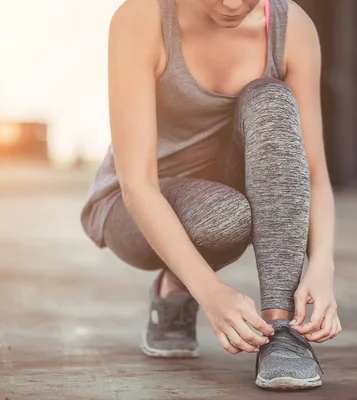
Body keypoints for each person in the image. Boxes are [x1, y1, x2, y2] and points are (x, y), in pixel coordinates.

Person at [80, 0, 340, 391]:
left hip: (230, 191)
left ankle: (282, 326)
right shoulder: (143, 17)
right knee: (225, 218)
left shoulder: (292, 28)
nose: (232, 3)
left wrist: (322, 266)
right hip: (132, 205)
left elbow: (314, 172)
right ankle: (174, 290)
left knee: (271, 98)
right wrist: (209, 291)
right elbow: (138, 185)